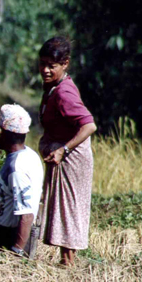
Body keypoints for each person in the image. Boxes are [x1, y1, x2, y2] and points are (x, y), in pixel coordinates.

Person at [37, 37, 97, 266]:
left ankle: (68, 263)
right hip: (63, 156)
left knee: (68, 210)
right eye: (42, 64)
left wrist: (63, 149)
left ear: (65, 64)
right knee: (63, 210)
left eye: (52, 65)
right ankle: (66, 261)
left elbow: (89, 125)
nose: (45, 70)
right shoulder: (52, 88)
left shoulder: (63, 92)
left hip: (72, 159)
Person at [0, 104, 44, 257]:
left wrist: (14, 254)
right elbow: (20, 192)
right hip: (7, 235)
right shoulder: (29, 155)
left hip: (8, 238)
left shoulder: (17, 168)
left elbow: (26, 215)